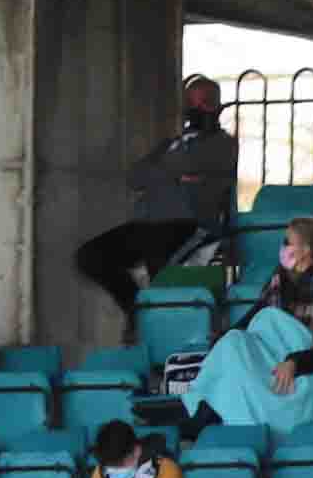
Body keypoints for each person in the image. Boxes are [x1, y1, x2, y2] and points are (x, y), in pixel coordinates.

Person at [75, 75, 239, 313]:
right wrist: (176, 175)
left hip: (189, 224)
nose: (199, 108)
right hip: (148, 222)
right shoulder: (169, 144)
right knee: (90, 256)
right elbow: (134, 176)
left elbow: (185, 164)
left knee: (158, 262)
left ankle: (154, 319)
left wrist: (165, 171)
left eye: (207, 101)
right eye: (194, 102)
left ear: (217, 104)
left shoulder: (223, 144)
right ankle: (136, 308)